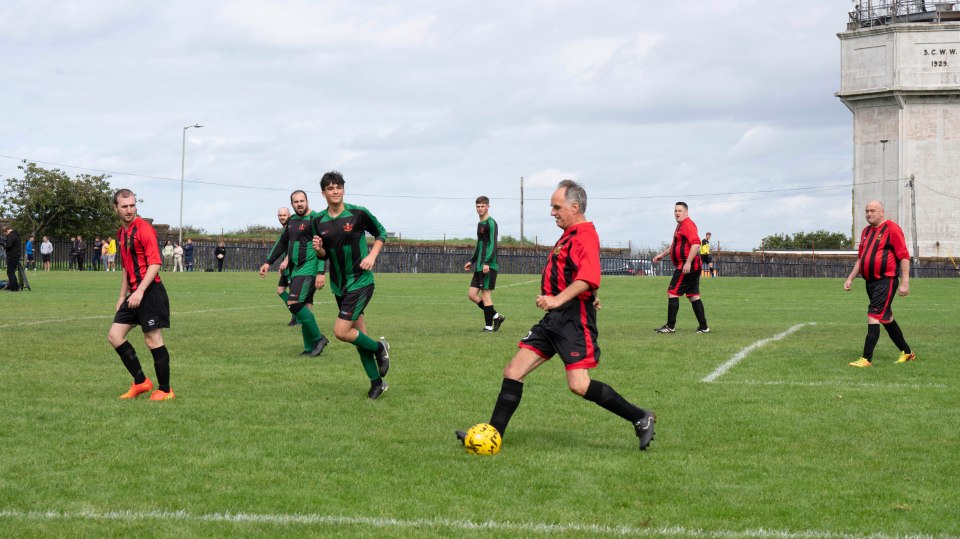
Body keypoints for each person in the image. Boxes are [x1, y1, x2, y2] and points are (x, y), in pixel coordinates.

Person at [455, 180, 655, 451]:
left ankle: (640, 417)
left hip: (573, 320)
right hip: (554, 319)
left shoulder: (584, 235)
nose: (552, 212)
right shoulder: (571, 234)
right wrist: (586, 295)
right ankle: (492, 435)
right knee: (513, 371)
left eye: (556, 207)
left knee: (579, 384)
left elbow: (589, 275)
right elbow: (579, 273)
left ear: (575, 207)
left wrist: (558, 299)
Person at [311, 171, 391, 400]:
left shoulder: (358, 213)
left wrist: (373, 256)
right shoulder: (318, 220)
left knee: (341, 331)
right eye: (330, 188)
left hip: (361, 281)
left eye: (339, 187)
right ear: (323, 192)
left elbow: (381, 233)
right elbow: (324, 255)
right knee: (358, 335)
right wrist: (318, 250)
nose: (335, 191)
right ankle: (377, 383)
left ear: (343, 189)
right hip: (339, 285)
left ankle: (379, 348)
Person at [106, 188, 175, 400]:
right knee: (115, 336)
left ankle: (165, 390)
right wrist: (122, 296)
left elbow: (155, 263)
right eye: (124, 206)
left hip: (150, 291)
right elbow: (127, 267)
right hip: (135, 292)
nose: (129, 210)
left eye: (132, 205)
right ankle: (141, 382)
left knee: (153, 340)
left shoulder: (144, 229)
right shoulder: (121, 233)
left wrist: (141, 291)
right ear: (115, 208)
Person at [844, 200, 916, 367]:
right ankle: (907, 353)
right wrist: (850, 278)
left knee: (873, 315)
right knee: (886, 318)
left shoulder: (891, 228)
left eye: (873, 211)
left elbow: (904, 256)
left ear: (882, 212)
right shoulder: (865, 232)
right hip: (870, 282)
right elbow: (861, 258)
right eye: (867, 211)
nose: (869, 214)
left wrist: (905, 282)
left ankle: (866, 359)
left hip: (886, 280)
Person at [260, 193, 329, 357]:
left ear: (307, 202)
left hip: (309, 269)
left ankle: (319, 338)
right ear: (292, 204)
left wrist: (321, 272)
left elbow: (322, 247)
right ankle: (309, 348)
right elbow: (282, 243)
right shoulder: (291, 221)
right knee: (305, 307)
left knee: (293, 302)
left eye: (302, 201)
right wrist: (268, 262)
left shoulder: (316, 218)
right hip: (297, 269)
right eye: (296, 202)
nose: (299, 204)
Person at [652, 202, 710, 334]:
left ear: (686, 212)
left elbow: (695, 245)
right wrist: (662, 254)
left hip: (686, 266)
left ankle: (670, 326)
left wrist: (687, 263)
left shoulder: (688, 225)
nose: (677, 213)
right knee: (693, 296)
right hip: (690, 266)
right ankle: (704, 327)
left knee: (672, 292)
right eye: (675, 211)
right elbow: (675, 246)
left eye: (679, 211)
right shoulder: (680, 226)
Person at [464, 196, 506, 332]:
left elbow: (493, 244)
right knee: (472, 295)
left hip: (489, 265)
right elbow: (480, 244)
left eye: (482, 206)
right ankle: (495, 316)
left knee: (486, 295)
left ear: (488, 206)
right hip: (479, 265)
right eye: (478, 206)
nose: (480, 208)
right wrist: (472, 260)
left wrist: (487, 262)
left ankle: (488, 326)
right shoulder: (479, 224)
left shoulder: (491, 223)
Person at [3, 227, 22, 291]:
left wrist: (4, 246)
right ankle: (16, 286)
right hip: (16, 255)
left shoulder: (12, 235)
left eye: (5, 233)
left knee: (10, 272)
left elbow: (9, 245)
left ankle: (14, 288)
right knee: (12, 272)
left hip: (12, 255)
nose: (6, 235)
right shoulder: (17, 235)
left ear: (7, 231)